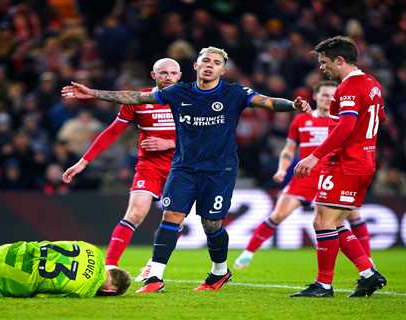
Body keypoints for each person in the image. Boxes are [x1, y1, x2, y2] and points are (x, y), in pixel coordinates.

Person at [61, 46, 311, 293]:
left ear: (223, 70)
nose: (210, 65)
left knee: (211, 225)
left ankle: (219, 271)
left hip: (219, 170)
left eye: (216, 62)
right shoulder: (179, 93)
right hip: (183, 168)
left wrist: (292, 105)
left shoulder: (234, 93)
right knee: (171, 216)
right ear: (196, 66)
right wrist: (93, 93)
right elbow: (137, 97)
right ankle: (155, 277)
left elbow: (266, 102)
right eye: (205, 61)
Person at [234, 81, 373, 269]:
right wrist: (282, 169)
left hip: (333, 176)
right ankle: (247, 253)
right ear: (315, 96)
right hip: (305, 178)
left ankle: (368, 261)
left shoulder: (343, 121)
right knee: (277, 215)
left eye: (332, 96)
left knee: (353, 216)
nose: (328, 99)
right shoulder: (301, 120)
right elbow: (288, 150)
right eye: (324, 95)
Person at [62, 58, 181, 272]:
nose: (168, 77)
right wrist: (83, 162)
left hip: (183, 167)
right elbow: (111, 133)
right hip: (150, 166)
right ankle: (110, 268)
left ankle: (153, 266)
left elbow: (206, 135)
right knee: (135, 214)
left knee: (174, 219)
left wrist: (170, 142)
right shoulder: (139, 100)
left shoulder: (190, 100)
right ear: (154, 75)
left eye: (173, 73)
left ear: (180, 76)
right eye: (163, 73)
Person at [291, 36, 387, 298]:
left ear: (340, 61)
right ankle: (368, 273)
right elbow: (379, 119)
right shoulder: (372, 85)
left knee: (323, 222)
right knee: (331, 222)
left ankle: (323, 285)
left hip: (346, 163)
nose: (323, 69)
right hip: (362, 161)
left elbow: (346, 126)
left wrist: (315, 157)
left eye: (324, 63)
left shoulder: (348, 88)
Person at [0, 240, 131, 298]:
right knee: (25, 286)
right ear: (110, 291)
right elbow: (44, 296)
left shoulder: (92, 249)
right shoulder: (85, 291)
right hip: (16, 279)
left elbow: (55, 243)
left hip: (2, 251)